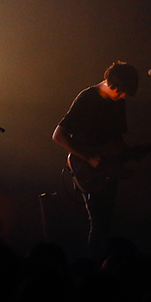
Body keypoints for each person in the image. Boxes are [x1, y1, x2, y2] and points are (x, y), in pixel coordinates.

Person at [52, 61, 139, 258]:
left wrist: (131, 154)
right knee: (99, 224)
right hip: (87, 170)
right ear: (110, 82)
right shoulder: (87, 98)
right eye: (121, 91)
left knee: (107, 223)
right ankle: (91, 268)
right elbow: (59, 135)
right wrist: (88, 157)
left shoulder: (118, 103)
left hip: (109, 169)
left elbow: (117, 141)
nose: (123, 96)